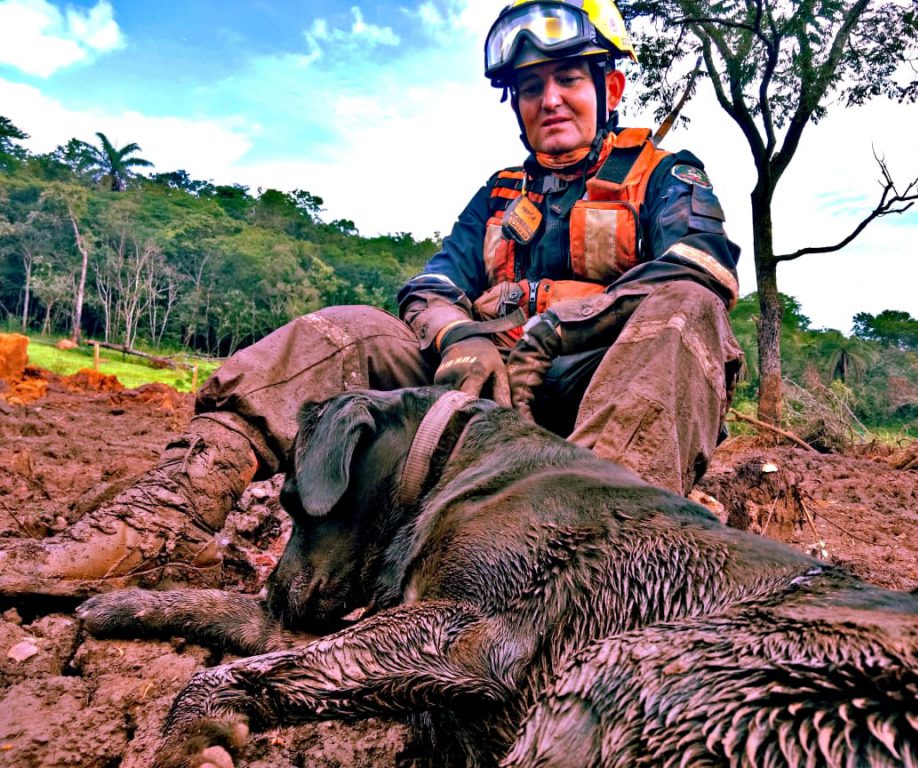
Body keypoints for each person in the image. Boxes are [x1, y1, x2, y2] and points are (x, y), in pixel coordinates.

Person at [0, 0, 742, 596]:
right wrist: (463, 337)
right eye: (530, 87)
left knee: (686, 312)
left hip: (595, 401)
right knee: (349, 329)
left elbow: (696, 272)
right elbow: (431, 286)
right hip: (480, 398)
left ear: (608, 87)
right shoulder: (498, 195)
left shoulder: (665, 175)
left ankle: (592, 565)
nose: (550, 99)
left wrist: (548, 335)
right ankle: (163, 521)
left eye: (568, 80)